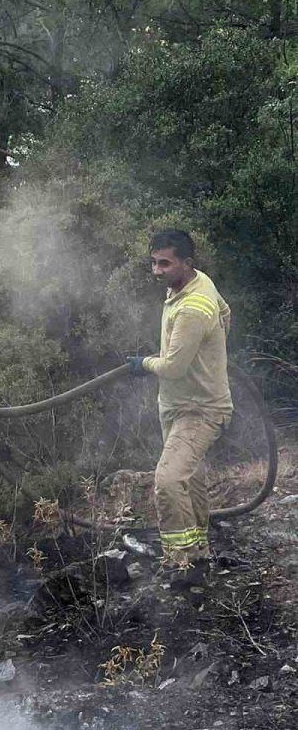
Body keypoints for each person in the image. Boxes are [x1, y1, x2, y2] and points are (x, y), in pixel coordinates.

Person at [127, 230, 232, 584]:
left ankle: (180, 563)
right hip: (176, 405)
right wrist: (211, 354)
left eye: (165, 263)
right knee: (191, 479)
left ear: (187, 263)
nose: (157, 271)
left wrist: (144, 364)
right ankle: (199, 553)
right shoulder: (194, 284)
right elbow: (225, 312)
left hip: (199, 410)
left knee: (169, 480)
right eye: (154, 263)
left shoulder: (192, 308)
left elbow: (172, 367)